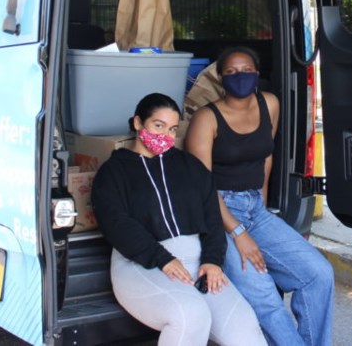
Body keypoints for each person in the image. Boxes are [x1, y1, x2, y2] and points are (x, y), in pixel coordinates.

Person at [186, 46, 334, 346]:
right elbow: (201, 185)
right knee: (265, 296)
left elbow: (265, 157)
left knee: (319, 274)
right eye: (231, 72)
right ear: (220, 77)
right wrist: (238, 232)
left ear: (257, 73)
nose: (239, 77)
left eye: (246, 70)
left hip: (256, 207)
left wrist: (262, 207)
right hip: (219, 213)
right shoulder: (207, 118)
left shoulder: (270, 104)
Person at [91, 93, 266, 346]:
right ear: (138, 123)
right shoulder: (114, 172)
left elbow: (212, 218)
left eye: (173, 129)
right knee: (190, 315)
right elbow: (117, 224)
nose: (166, 135)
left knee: (245, 327)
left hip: (198, 262)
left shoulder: (190, 167)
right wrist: (163, 259)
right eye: (158, 126)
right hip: (141, 264)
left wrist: (213, 260)